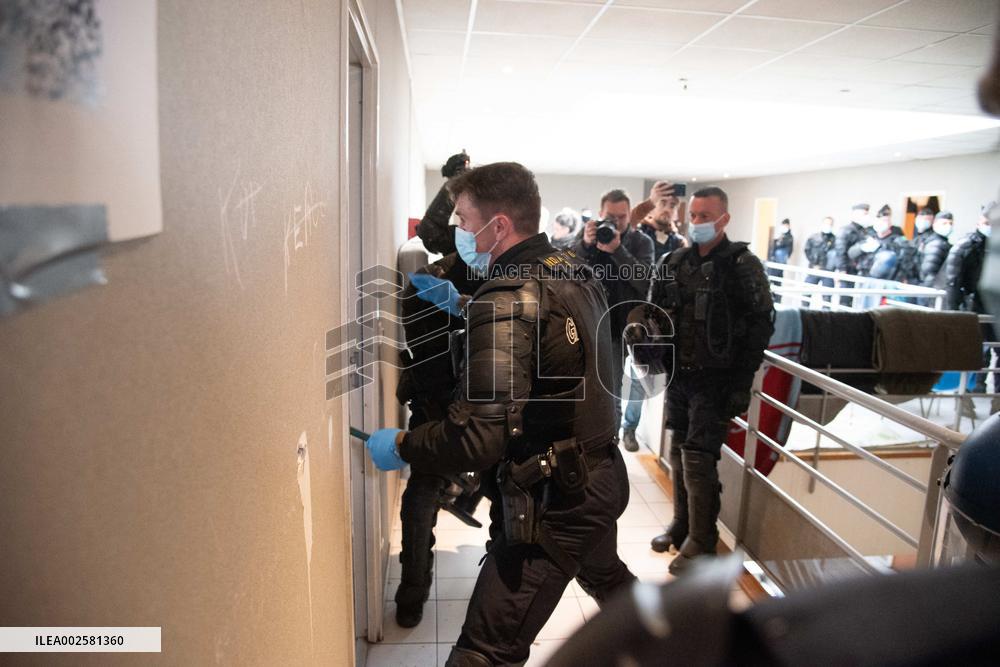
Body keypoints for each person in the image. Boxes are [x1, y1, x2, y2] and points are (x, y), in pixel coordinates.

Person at [365, 162, 636, 666]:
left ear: (499, 226)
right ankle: (686, 647)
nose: (460, 233)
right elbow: (548, 344)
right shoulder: (571, 268)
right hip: (599, 476)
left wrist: (402, 444)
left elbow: (478, 439)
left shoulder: (508, 297)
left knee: (484, 653)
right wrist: (470, 306)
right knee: (609, 580)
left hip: (554, 500)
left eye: (465, 221)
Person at [646, 186, 774, 574]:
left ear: (724, 219)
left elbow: (760, 324)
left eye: (705, 216)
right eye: (694, 215)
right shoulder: (676, 260)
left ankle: (703, 540)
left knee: (700, 459)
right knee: (678, 452)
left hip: (716, 380)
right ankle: (683, 525)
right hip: (679, 376)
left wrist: (742, 382)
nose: (697, 221)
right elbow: (654, 310)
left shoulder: (741, 264)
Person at [392, 152, 488, 628]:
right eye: (462, 220)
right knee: (419, 501)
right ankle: (412, 592)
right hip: (435, 403)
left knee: (514, 496)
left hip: (491, 408)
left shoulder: (506, 275)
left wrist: (468, 307)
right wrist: (455, 181)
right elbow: (431, 233)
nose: (463, 231)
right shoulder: (434, 276)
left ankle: (466, 488)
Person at [573, 188, 654, 452]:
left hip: (621, 328)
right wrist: (585, 245)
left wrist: (618, 250)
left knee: (611, 396)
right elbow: (568, 270)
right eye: (611, 216)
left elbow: (644, 282)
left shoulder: (641, 242)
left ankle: (610, 450)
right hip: (587, 325)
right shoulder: (588, 238)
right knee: (585, 394)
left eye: (622, 216)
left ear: (630, 215)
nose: (616, 222)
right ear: (600, 214)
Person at [942, 202, 996, 408]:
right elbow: (953, 283)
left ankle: (995, 401)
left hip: (994, 310)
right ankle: (965, 398)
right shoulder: (966, 246)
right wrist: (954, 315)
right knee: (973, 354)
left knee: (994, 353)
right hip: (974, 310)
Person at [631, 180, 687, 261]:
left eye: (672, 206)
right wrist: (650, 201)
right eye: (663, 203)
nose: (667, 209)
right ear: (652, 207)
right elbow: (627, 221)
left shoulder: (679, 242)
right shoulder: (638, 233)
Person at [835, 203, 871, 305]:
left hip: (860, 271)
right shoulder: (846, 230)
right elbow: (840, 250)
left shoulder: (864, 231)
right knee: (846, 300)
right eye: (864, 214)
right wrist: (842, 269)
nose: (867, 217)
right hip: (848, 270)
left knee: (857, 302)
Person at [914, 211, 953, 304]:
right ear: (935, 224)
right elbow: (929, 272)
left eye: (951, 223)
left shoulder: (941, 242)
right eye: (944, 223)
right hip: (930, 291)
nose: (948, 226)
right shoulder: (936, 244)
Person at [803, 216, 837, 299]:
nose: (828, 225)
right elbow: (807, 250)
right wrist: (814, 263)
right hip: (814, 269)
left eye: (830, 224)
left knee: (827, 297)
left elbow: (836, 255)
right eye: (826, 223)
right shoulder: (813, 237)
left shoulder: (835, 239)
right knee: (806, 294)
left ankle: (826, 312)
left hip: (828, 271)